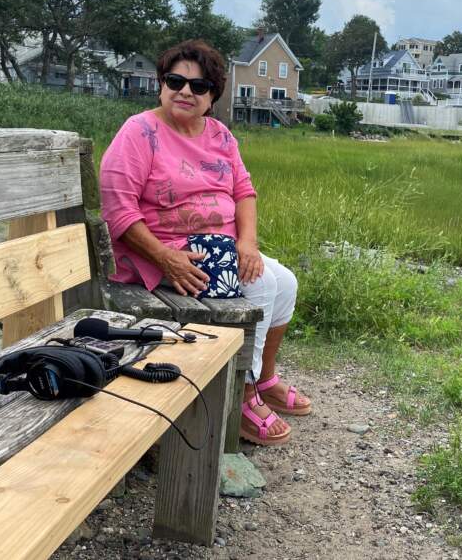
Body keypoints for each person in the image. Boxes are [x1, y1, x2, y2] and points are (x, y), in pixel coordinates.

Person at [100, 39, 311, 446]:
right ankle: (243, 396)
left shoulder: (220, 135)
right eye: (176, 81)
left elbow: (244, 193)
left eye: (199, 87)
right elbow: (117, 211)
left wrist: (248, 244)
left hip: (222, 249)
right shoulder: (139, 132)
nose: (185, 92)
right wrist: (167, 260)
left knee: (285, 282)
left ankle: (265, 379)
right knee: (263, 285)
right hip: (163, 255)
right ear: (162, 84)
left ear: (212, 96)